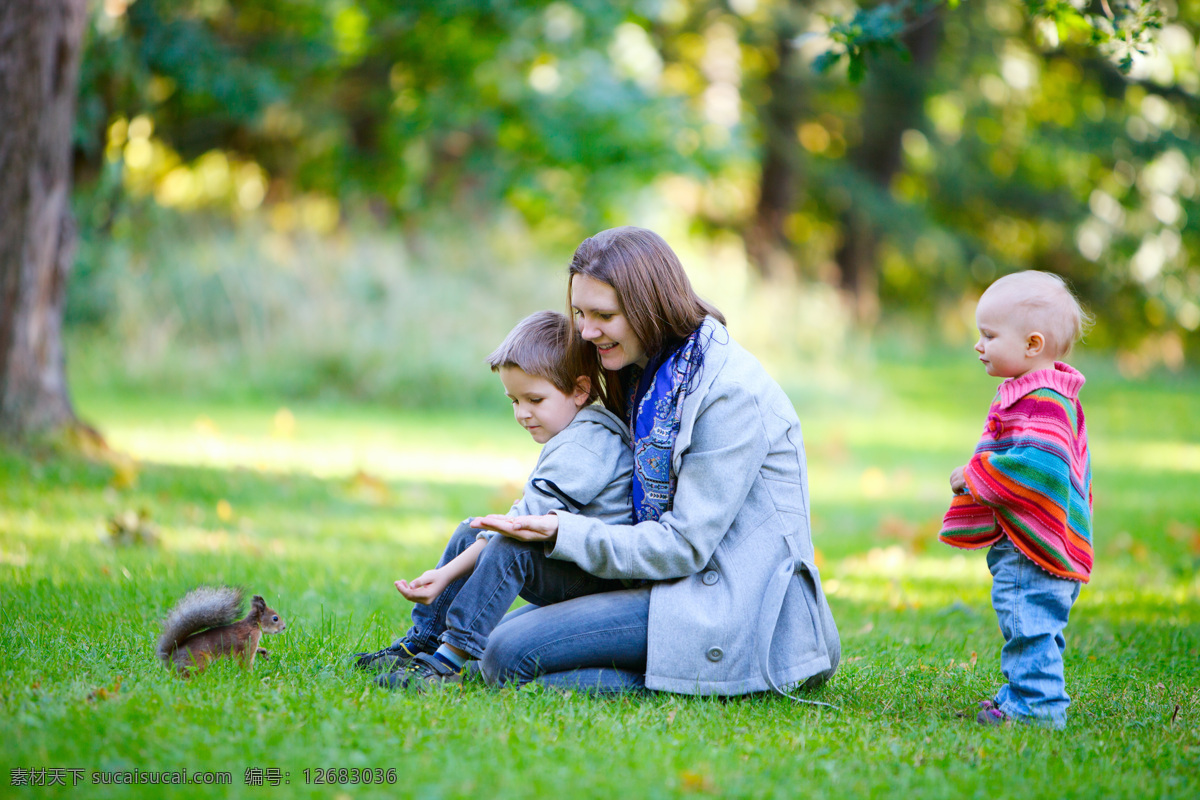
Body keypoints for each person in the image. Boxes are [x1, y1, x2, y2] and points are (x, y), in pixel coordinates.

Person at [471, 226, 840, 698]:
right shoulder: (650, 371)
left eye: (604, 315)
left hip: (723, 604)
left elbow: (685, 545)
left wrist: (564, 530)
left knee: (508, 657)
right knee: (494, 647)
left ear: (650, 305)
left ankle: (685, 680)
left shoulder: (729, 393)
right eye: (580, 313)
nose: (585, 331)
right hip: (659, 584)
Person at [352, 310, 634, 688]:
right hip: (570, 562)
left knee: (508, 547)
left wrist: (447, 574)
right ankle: (422, 642)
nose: (522, 413)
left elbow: (521, 525)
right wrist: (449, 569)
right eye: (514, 401)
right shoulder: (574, 435)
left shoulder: (588, 443)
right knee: (473, 531)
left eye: (534, 399)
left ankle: (448, 661)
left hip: (599, 577)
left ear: (580, 390)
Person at [939, 270, 1093, 728]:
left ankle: (1038, 709)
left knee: (1030, 625)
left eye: (988, 335)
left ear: (1032, 344)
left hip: (1034, 550)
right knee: (1024, 620)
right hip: (1023, 544)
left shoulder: (1044, 400)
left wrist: (975, 474)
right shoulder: (1034, 394)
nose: (978, 345)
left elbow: (1037, 466)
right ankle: (1019, 696)